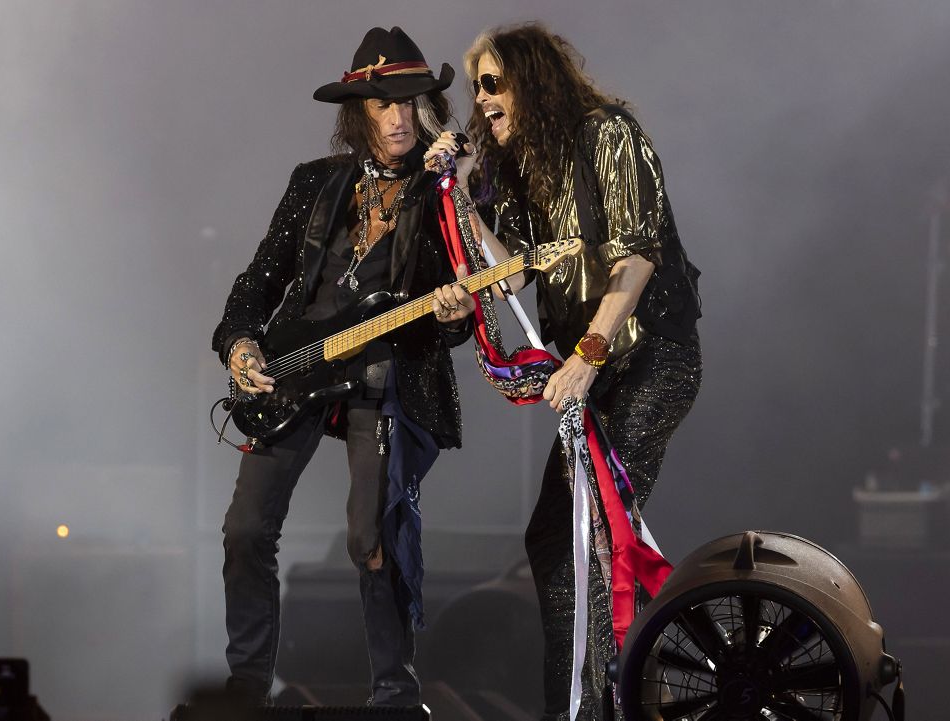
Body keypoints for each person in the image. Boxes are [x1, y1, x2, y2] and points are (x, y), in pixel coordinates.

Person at [427, 22, 703, 719]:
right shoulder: (520, 166)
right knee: (555, 542)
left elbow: (637, 254)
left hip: (648, 357)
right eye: (475, 86)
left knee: (603, 536)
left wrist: (587, 353)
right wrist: (457, 193)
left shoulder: (606, 133)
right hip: (597, 374)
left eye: (492, 83)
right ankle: (579, 706)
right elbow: (507, 271)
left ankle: (623, 702)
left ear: (532, 78)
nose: (480, 99)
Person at [210, 26, 475, 706]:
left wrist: (452, 315)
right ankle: (245, 687)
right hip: (296, 369)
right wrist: (241, 345)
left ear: (429, 108)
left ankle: (393, 692)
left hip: (384, 375)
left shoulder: (443, 192)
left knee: (372, 533)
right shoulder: (316, 184)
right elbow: (255, 285)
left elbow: (463, 315)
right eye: (383, 103)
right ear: (356, 112)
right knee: (245, 529)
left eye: (411, 101)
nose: (398, 116)